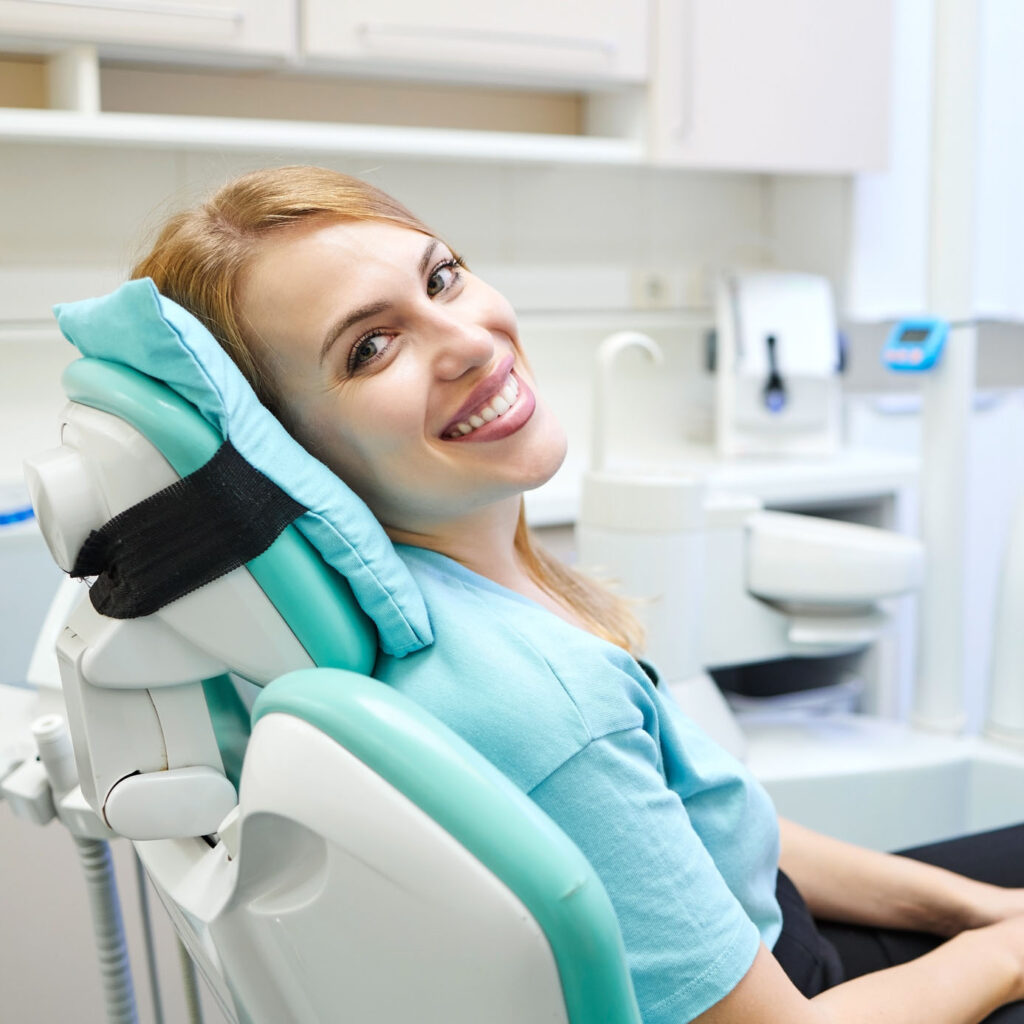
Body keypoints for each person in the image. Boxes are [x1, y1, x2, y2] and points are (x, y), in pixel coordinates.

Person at [132, 165, 1024, 1024]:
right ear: (288, 453)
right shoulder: (545, 706)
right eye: (370, 347)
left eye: (442, 278)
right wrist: (1007, 952)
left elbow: (703, 830)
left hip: (773, 935)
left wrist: (977, 910)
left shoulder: (473, 598)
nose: (472, 343)